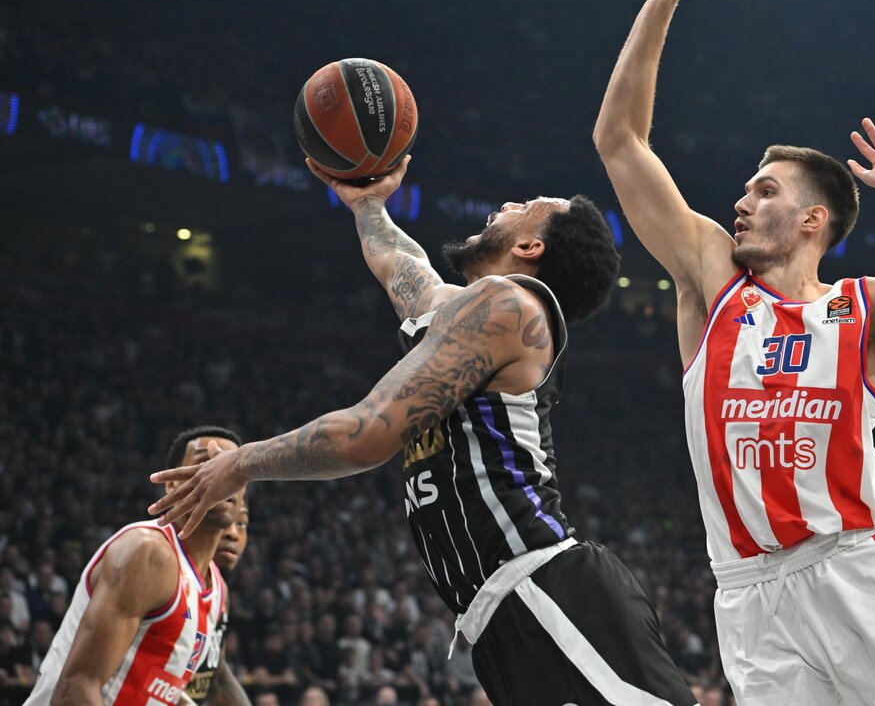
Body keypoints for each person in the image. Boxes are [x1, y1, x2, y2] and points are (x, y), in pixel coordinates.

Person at [593, 0, 875, 706]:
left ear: (815, 220)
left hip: (856, 570)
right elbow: (619, 143)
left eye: (765, 191)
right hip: (747, 596)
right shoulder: (712, 284)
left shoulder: (868, 307)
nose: (741, 202)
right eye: (746, 190)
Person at [147, 155, 698, 706]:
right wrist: (366, 204)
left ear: (531, 248)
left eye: (524, 208)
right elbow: (398, 264)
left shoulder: (508, 305)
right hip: (504, 613)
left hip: (546, 587)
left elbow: (366, 433)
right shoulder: (473, 314)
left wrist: (240, 463)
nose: (506, 205)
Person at [24, 427, 247, 706]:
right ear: (172, 484)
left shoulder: (217, 591)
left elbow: (151, 685)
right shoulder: (147, 551)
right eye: (206, 460)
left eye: (233, 465)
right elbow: (75, 689)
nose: (222, 472)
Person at [180, 427, 253, 706]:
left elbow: (216, 672)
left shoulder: (219, 590)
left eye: (243, 524)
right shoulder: (154, 559)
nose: (233, 533)